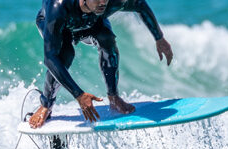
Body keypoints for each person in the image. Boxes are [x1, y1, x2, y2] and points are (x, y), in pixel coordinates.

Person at [29, 0, 173, 128]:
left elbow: (140, 4)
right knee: (65, 54)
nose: (103, 3)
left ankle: (114, 97)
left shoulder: (107, 3)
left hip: (91, 21)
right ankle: (46, 104)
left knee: (107, 38)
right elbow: (50, 58)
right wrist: (79, 95)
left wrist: (159, 38)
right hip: (60, 24)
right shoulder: (58, 6)